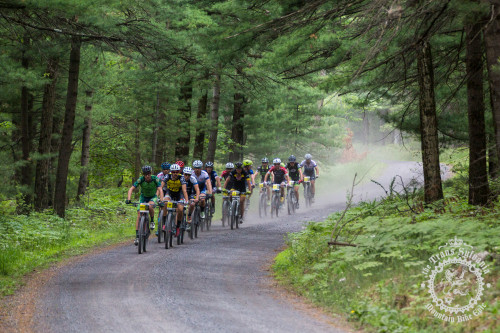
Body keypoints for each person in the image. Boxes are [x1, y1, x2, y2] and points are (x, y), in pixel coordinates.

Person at [126, 165, 163, 246]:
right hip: (143, 198)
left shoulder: (155, 179)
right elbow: (131, 188)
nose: (147, 176)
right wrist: (128, 199)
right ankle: (137, 236)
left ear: (151, 173)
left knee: (150, 206)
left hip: (152, 197)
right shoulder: (141, 180)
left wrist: (162, 200)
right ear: (143, 174)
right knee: (139, 215)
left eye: (149, 173)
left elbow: (160, 189)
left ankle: (152, 221)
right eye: (145, 174)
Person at [160, 163, 188, 237]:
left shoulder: (181, 178)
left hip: (179, 194)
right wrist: (159, 197)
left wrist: (186, 201)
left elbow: (184, 190)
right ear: (171, 172)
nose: (175, 173)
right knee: (165, 203)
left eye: (177, 172)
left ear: (179, 172)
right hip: (170, 193)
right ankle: (164, 223)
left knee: (180, 209)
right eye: (173, 172)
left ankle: (178, 227)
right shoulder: (167, 176)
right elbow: (160, 187)